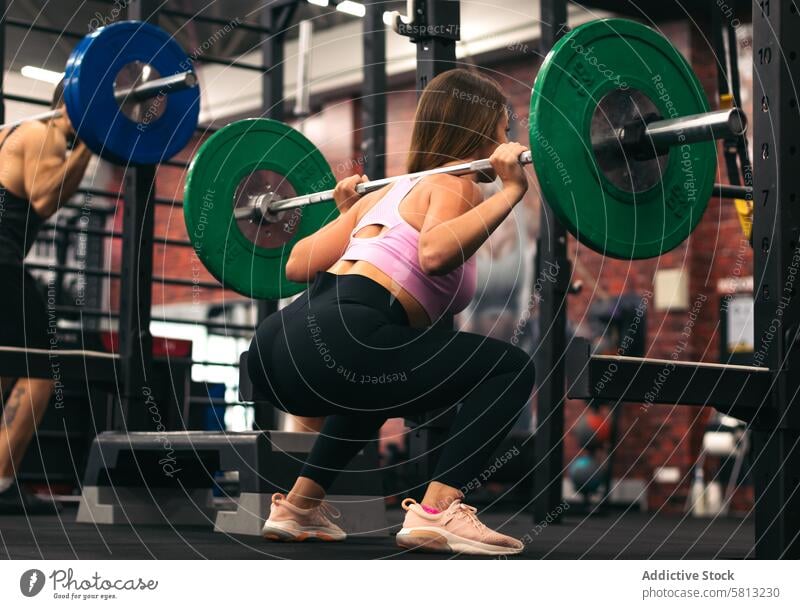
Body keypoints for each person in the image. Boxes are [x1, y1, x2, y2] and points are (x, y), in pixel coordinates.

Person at [248, 68, 535, 555]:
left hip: (276, 348)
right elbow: (435, 254)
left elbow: (297, 264)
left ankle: (298, 506)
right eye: (503, 131)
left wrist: (346, 215)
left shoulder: (383, 195)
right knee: (512, 368)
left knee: (374, 387)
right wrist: (511, 190)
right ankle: (439, 510)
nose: (506, 143)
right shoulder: (457, 181)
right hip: (348, 333)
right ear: (481, 129)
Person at [0, 79, 93, 513]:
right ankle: (0, 480)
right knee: (39, 368)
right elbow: (46, 198)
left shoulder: (12, 132)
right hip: (2, 265)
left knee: (5, 366)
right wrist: (90, 144)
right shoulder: (46, 135)